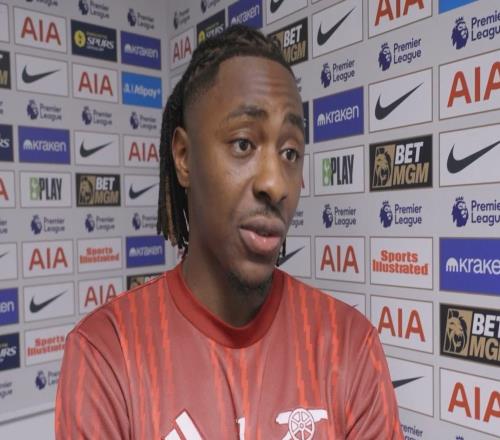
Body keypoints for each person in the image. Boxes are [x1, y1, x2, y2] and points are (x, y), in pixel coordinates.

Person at [55, 25, 403, 439]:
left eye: (290, 152)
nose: (275, 183)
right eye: (243, 144)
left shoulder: (350, 346)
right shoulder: (106, 353)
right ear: (184, 157)